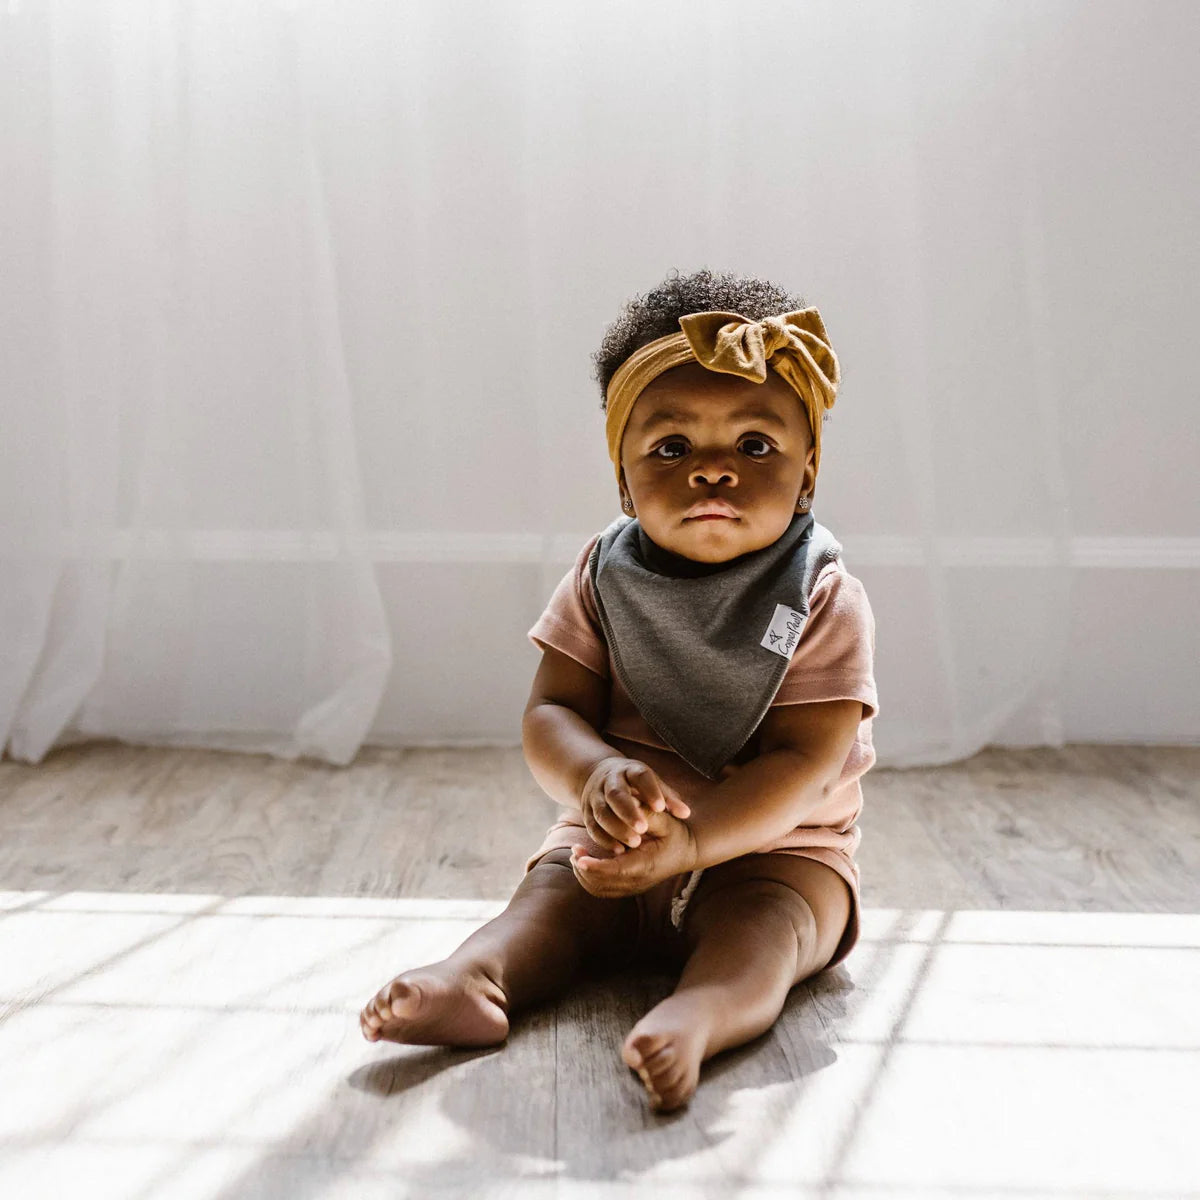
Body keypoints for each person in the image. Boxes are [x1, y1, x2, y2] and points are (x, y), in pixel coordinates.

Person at [360, 267, 880, 1113]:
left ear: (809, 467)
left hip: (775, 854)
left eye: (756, 445)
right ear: (621, 476)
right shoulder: (607, 578)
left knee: (768, 937)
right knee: (549, 903)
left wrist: (696, 841)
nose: (714, 471)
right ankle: (475, 978)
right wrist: (593, 776)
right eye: (672, 448)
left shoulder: (818, 594)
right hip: (616, 848)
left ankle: (701, 1014)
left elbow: (807, 764)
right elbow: (551, 712)